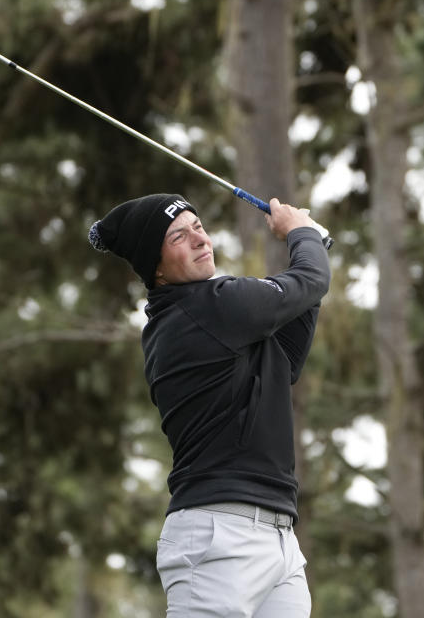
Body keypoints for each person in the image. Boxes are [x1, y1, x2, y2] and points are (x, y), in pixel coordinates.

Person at [88, 192, 331, 617]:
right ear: (157, 268)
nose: (200, 239)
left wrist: (312, 245)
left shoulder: (212, 315)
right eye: (179, 236)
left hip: (278, 539)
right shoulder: (205, 309)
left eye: (198, 227)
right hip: (218, 536)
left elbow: (287, 356)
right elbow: (308, 282)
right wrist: (302, 236)